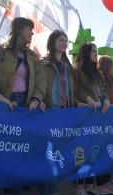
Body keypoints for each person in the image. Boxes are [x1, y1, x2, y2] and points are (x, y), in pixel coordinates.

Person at [0, 17, 46, 111]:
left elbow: (41, 82)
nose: (32, 33)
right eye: (29, 29)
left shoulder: (33, 57)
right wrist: (0, 98)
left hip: (25, 104)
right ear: (20, 29)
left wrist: (36, 99)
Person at [41, 30, 77, 194]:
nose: (64, 43)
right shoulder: (44, 63)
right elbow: (40, 85)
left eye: (66, 41)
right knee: (46, 153)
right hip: (49, 111)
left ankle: (55, 189)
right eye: (61, 40)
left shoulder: (68, 66)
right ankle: (45, 189)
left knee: (59, 152)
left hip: (66, 111)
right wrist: (39, 99)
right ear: (53, 42)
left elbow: (73, 90)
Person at [74, 43, 111, 195]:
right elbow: (76, 91)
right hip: (84, 115)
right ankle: (79, 186)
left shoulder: (97, 73)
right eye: (93, 51)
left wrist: (107, 100)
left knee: (93, 151)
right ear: (85, 53)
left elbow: (103, 91)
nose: (96, 54)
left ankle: (91, 184)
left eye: (96, 51)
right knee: (80, 151)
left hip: (97, 116)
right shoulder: (76, 71)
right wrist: (88, 99)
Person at [96, 55, 113, 194]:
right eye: (112, 64)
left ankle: (107, 181)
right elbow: (102, 96)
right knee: (102, 151)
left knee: (111, 150)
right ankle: (100, 183)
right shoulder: (101, 78)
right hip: (103, 117)